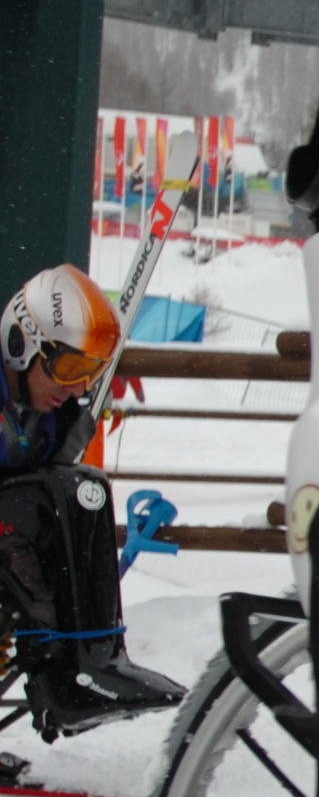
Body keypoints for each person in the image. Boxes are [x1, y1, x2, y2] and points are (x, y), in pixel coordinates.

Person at [0, 264, 184, 743]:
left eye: (91, 373)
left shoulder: (50, 416)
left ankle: (90, 662)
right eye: (69, 369)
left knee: (80, 492)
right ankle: (70, 675)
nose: (78, 388)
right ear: (23, 346)